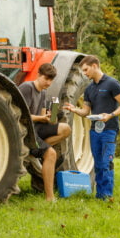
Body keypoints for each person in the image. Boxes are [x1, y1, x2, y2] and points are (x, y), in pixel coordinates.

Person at [64, 55, 120, 200]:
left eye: (86, 69)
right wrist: (74, 109)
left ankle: (106, 195)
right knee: (98, 164)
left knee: (106, 162)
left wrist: (111, 115)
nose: (85, 73)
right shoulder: (89, 89)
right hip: (95, 131)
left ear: (95, 66)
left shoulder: (112, 84)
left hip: (109, 130)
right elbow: (86, 112)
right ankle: (100, 195)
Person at [19, 63, 71, 201]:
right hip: (27, 130)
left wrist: (49, 118)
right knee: (51, 153)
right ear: (38, 75)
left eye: (51, 80)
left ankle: (36, 151)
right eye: (46, 79)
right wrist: (41, 118)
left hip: (38, 127)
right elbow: (21, 115)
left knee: (65, 129)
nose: (48, 83)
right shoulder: (26, 88)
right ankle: (50, 197)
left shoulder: (42, 93)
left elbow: (41, 116)